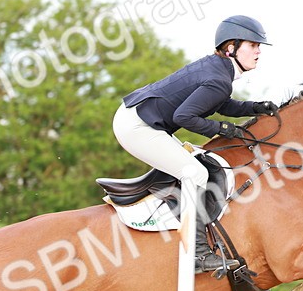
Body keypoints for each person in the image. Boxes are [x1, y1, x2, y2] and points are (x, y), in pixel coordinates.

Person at [113, 14, 278, 274]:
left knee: (200, 165)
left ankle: (174, 222)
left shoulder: (218, 70)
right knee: (196, 172)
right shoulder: (218, 78)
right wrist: (224, 128)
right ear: (231, 47)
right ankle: (198, 254)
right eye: (253, 45)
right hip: (137, 126)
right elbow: (184, 117)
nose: (258, 51)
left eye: (259, 46)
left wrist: (254, 107)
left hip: (141, 119)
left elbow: (220, 104)